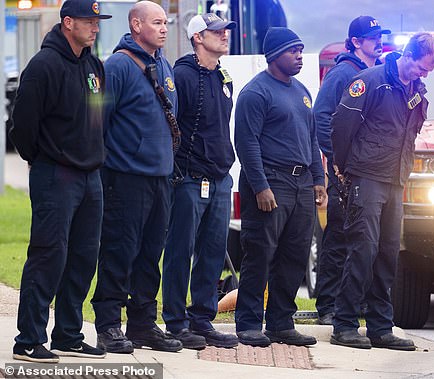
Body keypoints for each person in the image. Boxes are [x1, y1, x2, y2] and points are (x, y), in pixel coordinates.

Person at [8, 0, 111, 363]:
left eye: (97, 21)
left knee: (84, 257)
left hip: (91, 176)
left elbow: (101, 119)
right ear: (68, 22)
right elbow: (22, 127)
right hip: (56, 174)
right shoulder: (44, 66)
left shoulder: (94, 65)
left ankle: (68, 334)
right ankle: (29, 340)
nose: (95, 27)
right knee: (49, 255)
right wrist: (45, 159)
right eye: (89, 21)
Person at [330, 32, 434, 351]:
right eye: (423, 67)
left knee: (388, 253)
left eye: (430, 71)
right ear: (408, 56)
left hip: (396, 179)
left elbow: (412, 132)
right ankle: (345, 323)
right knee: (362, 249)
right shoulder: (371, 81)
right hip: (366, 175)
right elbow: (341, 126)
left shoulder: (417, 90)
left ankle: (380, 326)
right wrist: (344, 167)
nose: (425, 74)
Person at [91, 0, 182, 354]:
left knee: (149, 255)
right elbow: (97, 121)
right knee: (119, 251)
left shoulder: (163, 65)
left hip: (160, 178)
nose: (164, 28)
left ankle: (143, 324)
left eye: (165, 23)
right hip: (125, 177)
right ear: (135, 25)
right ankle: (108, 325)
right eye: (157, 22)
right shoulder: (117, 66)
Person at [234, 27, 327, 347]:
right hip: (272, 181)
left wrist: (318, 179)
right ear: (274, 55)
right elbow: (246, 143)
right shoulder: (255, 93)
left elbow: (311, 137)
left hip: (302, 183)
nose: (300, 55)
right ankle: (248, 323)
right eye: (293, 51)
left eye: (301, 49)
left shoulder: (302, 91)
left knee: (295, 254)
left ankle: (280, 323)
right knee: (260, 253)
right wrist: (260, 186)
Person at [161, 13, 239, 350]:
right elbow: (171, 127)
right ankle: (176, 322)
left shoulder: (224, 75)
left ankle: (202, 319)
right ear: (197, 37)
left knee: (213, 252)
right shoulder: (181, 75)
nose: (224, 35)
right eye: (216, 31)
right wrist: (177, 171)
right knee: (180, 251)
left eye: (225, 31)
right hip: (190, 179)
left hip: (220, 178)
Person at [313, 15, 390, 326]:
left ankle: (351, 301)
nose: (379, 42)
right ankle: (328, 305)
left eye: (380, 36)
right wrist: (335, 161)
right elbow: (320, 116)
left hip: (366, 172)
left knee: (361, 239)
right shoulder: (342, 73)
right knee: (338, 238)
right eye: (373, 38)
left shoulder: (371, 73)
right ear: (356, 42)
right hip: (345, 173)